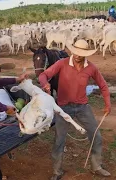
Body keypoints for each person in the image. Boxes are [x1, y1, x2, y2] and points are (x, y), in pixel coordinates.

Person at [38, 39, 111, 180]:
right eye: (75, 52)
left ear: (86, 54)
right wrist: (45, 83)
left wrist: (108, 104)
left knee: (96, 136)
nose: (77, 55)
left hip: (83, 107)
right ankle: (57, 171)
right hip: (63, 108)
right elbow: (43, 75)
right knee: (59, 140)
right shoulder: (62, 63)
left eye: (81, 53)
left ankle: (96, 166)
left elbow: (103, 85)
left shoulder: (91, 67)